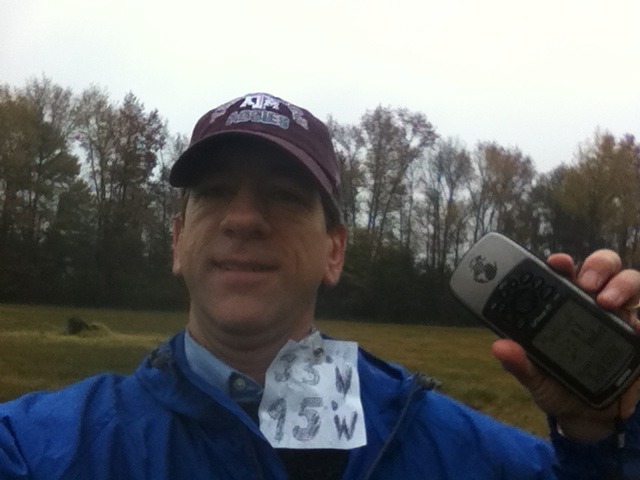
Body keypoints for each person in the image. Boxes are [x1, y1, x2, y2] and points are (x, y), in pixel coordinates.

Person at [0, 92, 639, 480]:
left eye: (283, 197)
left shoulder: (443, 444)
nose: (243, 219)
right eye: (215, 194)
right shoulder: (40, 448)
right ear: (178, 241)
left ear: (334, 251)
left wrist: (596, 436)